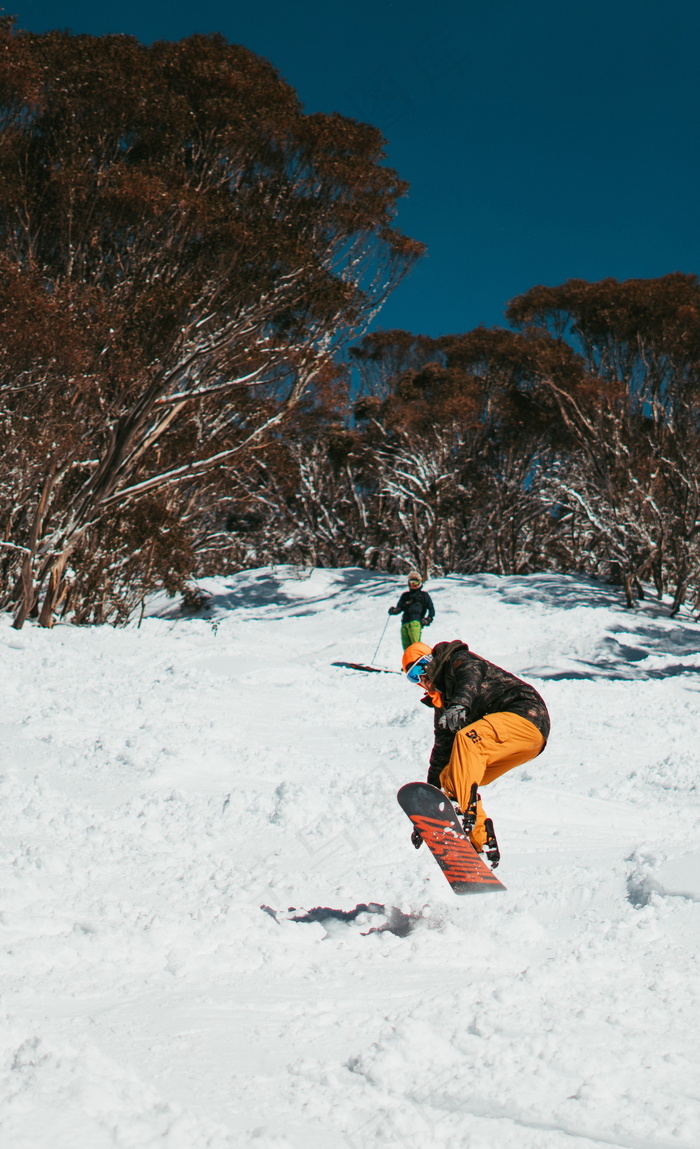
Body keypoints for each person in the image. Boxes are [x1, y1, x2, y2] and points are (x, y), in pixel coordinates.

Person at [401, 639, 550, 859]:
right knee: (450, 776)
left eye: (421, 668)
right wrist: (428, 810)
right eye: (413, 677)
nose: (422, 679)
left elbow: (471, 674)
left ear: (432, 660)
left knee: (466, 740)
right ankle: (480, 845)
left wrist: (461, 703)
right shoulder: (444, 706)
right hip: (523, 744)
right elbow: (440, 754)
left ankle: (463, 813)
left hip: (526, 715)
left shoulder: (456, 660)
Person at [388, 571, 435, 650]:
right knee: (406, 647)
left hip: (415, 622)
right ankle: (409, 661)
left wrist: (429, 618)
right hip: (405, 623)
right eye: (412, 583)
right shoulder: (405, 595)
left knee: (416, 645)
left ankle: (418, 660)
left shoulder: (423, 595)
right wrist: (394, 610)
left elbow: (431, 609)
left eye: (416, 583)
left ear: (420, 583)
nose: (414, 585)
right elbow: (400, 608)